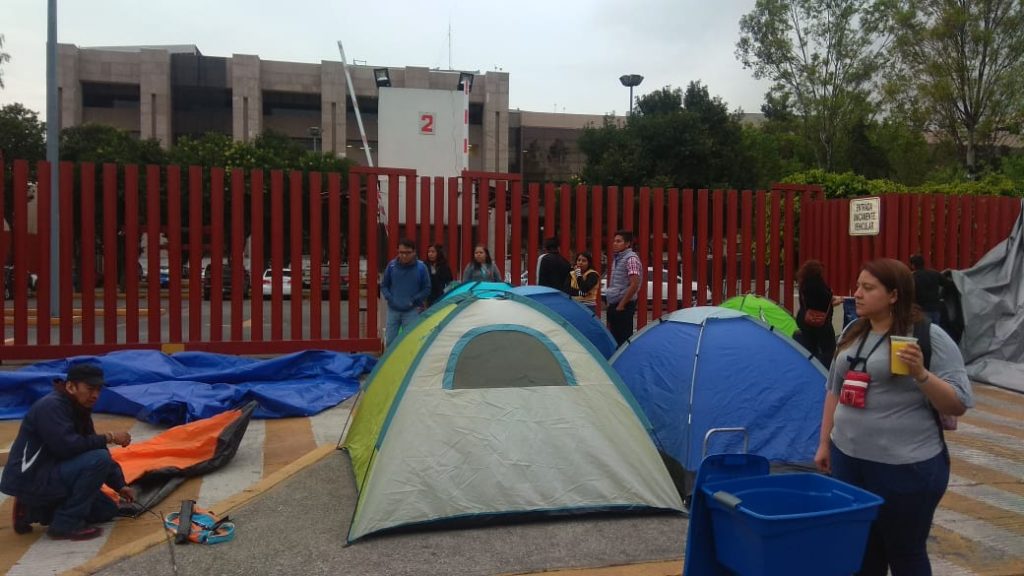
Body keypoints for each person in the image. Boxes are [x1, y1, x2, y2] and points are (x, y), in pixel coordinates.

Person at [814, 258, 972, 575]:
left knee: (904, 553)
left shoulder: (928, 336)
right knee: (862, 551)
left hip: (905, 469)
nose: (857, 293)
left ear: (894, 296)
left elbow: (959, 402)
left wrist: (921, 374)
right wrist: (824, 443)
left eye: (868, 288)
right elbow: (834, 388)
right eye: (858, 286)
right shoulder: (852, 331)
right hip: (849, 461)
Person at [1, 364, 135, 541]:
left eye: (98, 390)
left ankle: (31, 509)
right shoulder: (51, 407)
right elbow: (67, 447)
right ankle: (65, 525)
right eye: (90, 389)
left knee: (106, 510)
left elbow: (91, 445)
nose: (95, 395)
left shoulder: (78, 407)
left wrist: (120, 485)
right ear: (71, 386)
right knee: (98, 459)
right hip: (32, 478)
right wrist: (109, 437)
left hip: (50, 472)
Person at [380, 238, 431, 346]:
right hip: (393, 310)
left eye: (407, 253)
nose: (404, 256)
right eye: (401, 252)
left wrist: (414, 300)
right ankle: (392, 363)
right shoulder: (391, 266)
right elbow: (384, 286)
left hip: (412, 311)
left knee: (410, 342)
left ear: (414, 252)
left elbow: (427, 288)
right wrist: (391, 298)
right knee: (390, 342)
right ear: (398, 251)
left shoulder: (421, 267)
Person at [796, 259, 842, 366]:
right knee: (828, 349)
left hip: (804, 319)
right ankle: (826, 371)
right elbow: (825, 301)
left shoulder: (803, 284)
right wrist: (836, 300)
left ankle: (810, 368)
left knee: (809, 348)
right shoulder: (818, 284)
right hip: (820, 323)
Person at [605, 230, 642, 346]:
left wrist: (622, 305)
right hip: (614, 303)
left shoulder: (631, 259)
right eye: (614, 241)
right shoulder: (618, 259)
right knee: (614, 338)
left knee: (623, 340)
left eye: (619, 241)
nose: (615, 243)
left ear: (627, 244)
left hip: (623, 306)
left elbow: (635, 284)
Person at [909, 254, 944, 325]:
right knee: (934, 332)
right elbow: (948, 284)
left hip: (921, 310)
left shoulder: (912, 277)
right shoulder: (935, 273)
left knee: (922, 331)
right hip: (935, 309)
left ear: (913, 265)